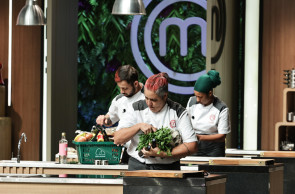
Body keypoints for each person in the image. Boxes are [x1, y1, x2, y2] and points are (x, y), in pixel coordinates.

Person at [114, 72, 198, 170]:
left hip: (168, 167)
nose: (149, 103)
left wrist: (163, 153)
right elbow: (117, 138)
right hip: (138, 166)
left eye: (153, 100)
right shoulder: (135, 108)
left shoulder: (178, 112)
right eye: (146, 98)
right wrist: (138, 126)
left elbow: (192, 145)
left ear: (165, 96)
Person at [96, 65, 145, 163]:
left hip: (144, 150)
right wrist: (104, 119)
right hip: (126, 151)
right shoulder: (119, 99)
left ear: (135, 83)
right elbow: (111, 119)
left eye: (125, 88)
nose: (122, 91)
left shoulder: (148, 97)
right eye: (120, 88)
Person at [186, 70, 230, 157]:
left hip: (214, 148)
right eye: (196, 96)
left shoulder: (222, 108)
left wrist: (200, 137)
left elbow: (222, 136)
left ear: (210, 93)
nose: (197, 100)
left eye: (200, 97)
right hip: (195, 145)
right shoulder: (192, 101)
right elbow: (186, 122)